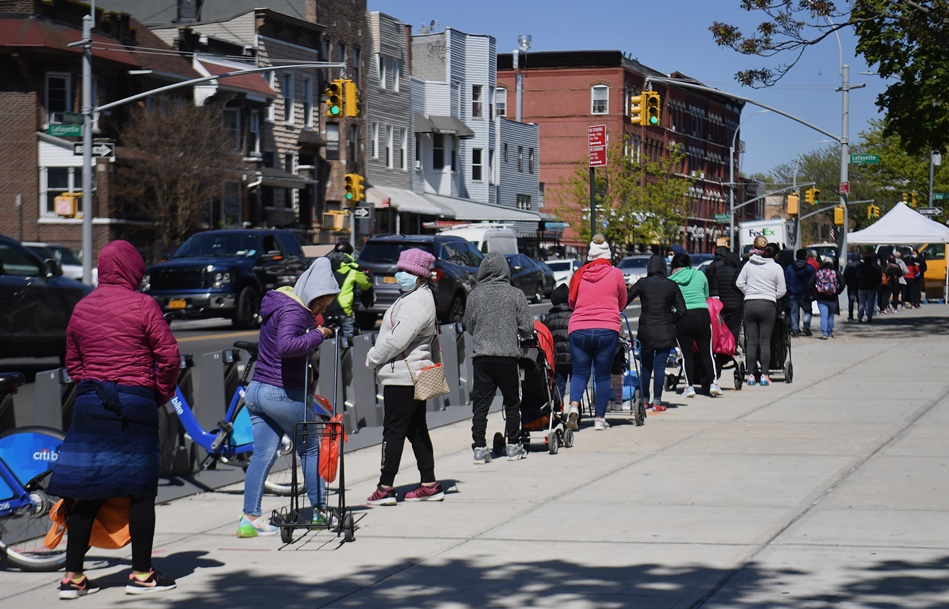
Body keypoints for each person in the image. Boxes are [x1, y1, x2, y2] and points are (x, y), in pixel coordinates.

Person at [48, 240, 180, 598]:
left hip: (91, 405)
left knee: (85, 491)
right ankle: (140, 574)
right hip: (135, 404)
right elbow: (169, 358)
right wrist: (157, 394)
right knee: (139, 492)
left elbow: (73, 362)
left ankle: (72, 578)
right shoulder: (144, 305)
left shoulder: (83, 307)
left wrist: (90, 385)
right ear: (132, 269)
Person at [240, 257, 338, 536]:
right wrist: (318, 335)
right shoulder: (295, 311)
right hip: (280, 392)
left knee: (262, 455)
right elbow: (287, 346)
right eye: (320, 301)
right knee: (309, 447)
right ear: (309, 292)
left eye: (327, 304)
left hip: (257, 391)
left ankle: (250, 518)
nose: (322, 308)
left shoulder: (279, 304)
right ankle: (320, 511)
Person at [365, 248, 445, 503]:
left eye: (408, 271)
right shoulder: (416, 296)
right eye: (400, 270)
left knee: (394, 431)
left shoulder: (416, 302)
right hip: (410, 374)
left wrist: (373, 357)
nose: (401, 275)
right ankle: (429, 483)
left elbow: (398, 339)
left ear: (420, 275)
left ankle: (385, 486)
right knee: (416, 429)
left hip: (403, 376)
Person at [465, 251, 535, 461]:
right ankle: (513, 445)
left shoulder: (474, 295)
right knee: (512, 402)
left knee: (481, 405)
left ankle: (479, 447)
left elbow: (469, 326)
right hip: (507, 356)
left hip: (482, 358)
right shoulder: (515, 294)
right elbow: (527, 327)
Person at [566, 235, 627, 431]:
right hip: (606, 329)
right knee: (602, 375)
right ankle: (600, 419)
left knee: (579, 373)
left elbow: (572, 303)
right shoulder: (615, 273)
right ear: (608, 255)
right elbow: (623, 301)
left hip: (579, 328)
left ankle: (574, 407)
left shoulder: (579, 274)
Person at [628, 255, 686, 411]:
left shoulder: (642, 283)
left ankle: (645, 400)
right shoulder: (671, 285)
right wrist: (670, 318)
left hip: (646, 329)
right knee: (660, 367)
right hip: (665, 330)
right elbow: (682, 310)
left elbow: (625, 299)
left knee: (646, 367)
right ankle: (658, 402)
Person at [735, 236, 787, 386]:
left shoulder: (749, 264)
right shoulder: (776, 267)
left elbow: (739, 283)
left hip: (750, 303)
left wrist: (749, 292)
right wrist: (771, 295)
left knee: (751, 342)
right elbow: (782, 290)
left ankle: (751, 375)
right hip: (768, 305)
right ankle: (764, 375)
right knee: (765, 342)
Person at [669, 253, 721, 398]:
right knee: (707, 353)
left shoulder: (671, 280)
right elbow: (706, 295)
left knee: (687, 355)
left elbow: (670, 301)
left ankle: (689, 386)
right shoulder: (700, 275)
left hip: (682, 318)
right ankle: (713, 383)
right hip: (701, 315)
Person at [325, 241, 372, 340]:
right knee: (349, 334)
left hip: (325, 306)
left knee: (324, 332)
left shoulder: (325, 266)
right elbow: (365, 285)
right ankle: (349, 351)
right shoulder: (352, 268)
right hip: (343, 308)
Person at [705, 247, 744, 362]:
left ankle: (722, 346)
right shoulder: (735, 271)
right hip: (735, 303)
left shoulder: (712, 267)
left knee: (722, 327)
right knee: (735, 327)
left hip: (720, 302)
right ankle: (732, 347)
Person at [545, 283, 573, 405]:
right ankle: (575, 407)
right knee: (577, 383)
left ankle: (558, 410)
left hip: (556, 359)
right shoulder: (574, 315)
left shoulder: (549, 318)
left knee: (559, 385)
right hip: (574, 356)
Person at [785, 249, 816, 337]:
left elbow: (786, 280)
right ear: (805, 256)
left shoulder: (790, 268)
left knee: (794, 311)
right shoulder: (809, 268)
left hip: (792, 293)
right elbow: (814, 279)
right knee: (808, 311)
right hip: (805, 293)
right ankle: (806, 326)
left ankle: (794, 329)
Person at [813, 256, 845, 339]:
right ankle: (830, 332)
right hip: (832, 297)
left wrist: (815, 292)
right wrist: (837, 292)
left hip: (821, 297)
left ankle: (824, 333)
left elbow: (810, 283)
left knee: (823, 316)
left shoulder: (818, 272)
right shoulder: (835, 272)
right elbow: (842, 283)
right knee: (830, 315)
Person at [856, 248, 882, 323]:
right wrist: (877, 285)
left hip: (861, 287)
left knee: (861, 303)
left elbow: (857, 275)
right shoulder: (875, 268)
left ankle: (860, 317)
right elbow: (878, 277)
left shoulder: (860, 267)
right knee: (871, 302)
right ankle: (869, 317)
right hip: (871, 287)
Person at [842, 252, 861, 321]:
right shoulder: (861, 265)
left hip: (851, 285)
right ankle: (860, 314)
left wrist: (846, 283)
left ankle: (850, 315)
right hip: (860, 285)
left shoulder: (849, 265)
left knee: (851, 300)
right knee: (860, 300)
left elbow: (845, 275)